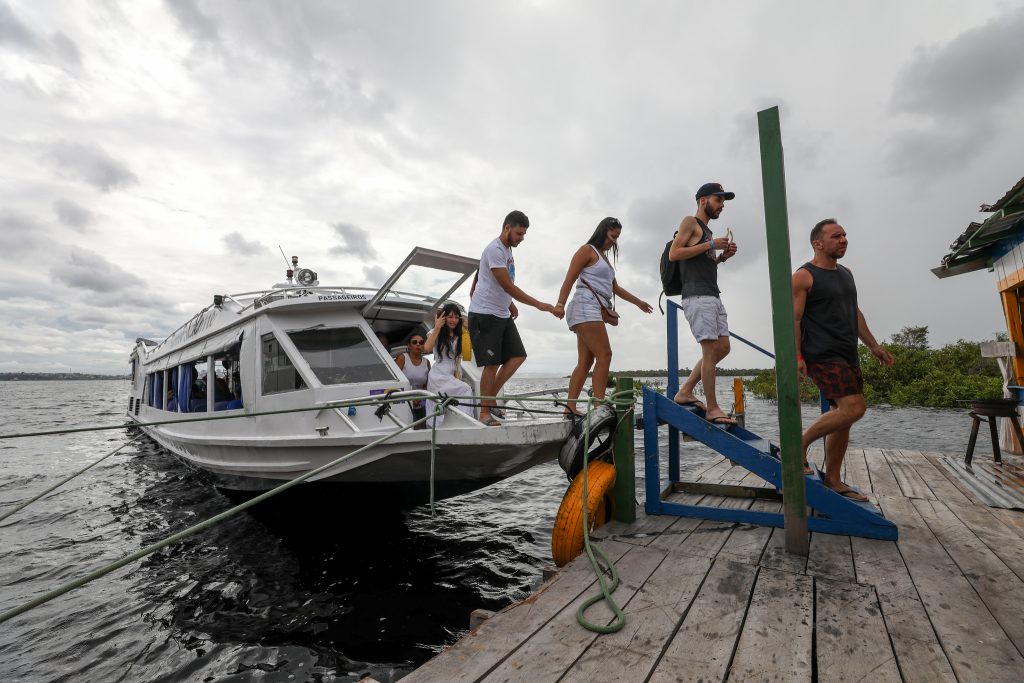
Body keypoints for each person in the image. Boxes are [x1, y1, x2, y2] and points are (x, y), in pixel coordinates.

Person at [793, 218, 894, 501]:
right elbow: (795, 318)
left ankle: (834, 480)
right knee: (854, 407)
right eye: (836, 236)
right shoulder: (804, 276)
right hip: (821, 353)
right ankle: (798, 446)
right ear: (818, 243)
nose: (844, 240)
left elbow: (855, 313)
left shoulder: (846, 273)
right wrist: (797, 355)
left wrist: (873, 346)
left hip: (847, 352)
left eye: (845, 235)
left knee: (844, 418)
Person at [468, 210, 563, 426]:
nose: (522, 239)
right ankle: (484, 413)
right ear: (507, 228)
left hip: (501, 312)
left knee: (518, 356)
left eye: (524, 235)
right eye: (519, 234)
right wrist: (541, 305)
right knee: (491, 365)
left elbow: (499, 282)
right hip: (485, 313)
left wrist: (509, 302)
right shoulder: (494, 249)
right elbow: (507, 284)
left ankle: (490, 399)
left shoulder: (507, 249)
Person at [556, 217, 653, 416]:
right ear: (603, 231)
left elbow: (615, 288)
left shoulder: (605, 259)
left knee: (585, 362)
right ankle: (599, 406)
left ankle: (570, 408)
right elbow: (570, 277)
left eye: (617, 238)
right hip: (584, 304)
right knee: (605, 354)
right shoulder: (586, 250)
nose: (614, 241)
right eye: (612, 236)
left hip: (592, 307)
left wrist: (638, 302)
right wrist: (559, 304)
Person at [668, 182, 740, 424]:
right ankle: (712, 408)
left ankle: (685, 391)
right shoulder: (690, 222)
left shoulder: (707, 233)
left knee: (723, 348)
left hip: (712, 295)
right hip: (697, 296)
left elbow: (700, 262)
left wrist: (721, 258)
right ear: (703, 201)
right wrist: (711, 245)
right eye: (718, 200)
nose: (721, 206)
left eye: (723, 202)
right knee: (710, 351)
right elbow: (674, 254)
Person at [423, 302, 474, 426]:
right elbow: (427, 348)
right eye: (451, 317)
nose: (454, 320)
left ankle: (459, 423)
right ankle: (463, 422)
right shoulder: (435, 332)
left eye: (457, 317)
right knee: (465, 390)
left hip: (450, 376)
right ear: (444, 317)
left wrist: (467, 331)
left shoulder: (459, 336)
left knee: (450, 401)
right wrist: (437, 327)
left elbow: (467, 356)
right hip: (438, 377)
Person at [396, 331, 431, 426]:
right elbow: (395, 382)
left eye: (421, 342)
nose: (418, 344)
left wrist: (419, 399)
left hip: (420, 402)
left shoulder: (427, 362)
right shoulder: (402, 358)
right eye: (414, 342)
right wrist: (411, 399)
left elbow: (427, 385)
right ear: (409, 345)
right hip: (403, 401)